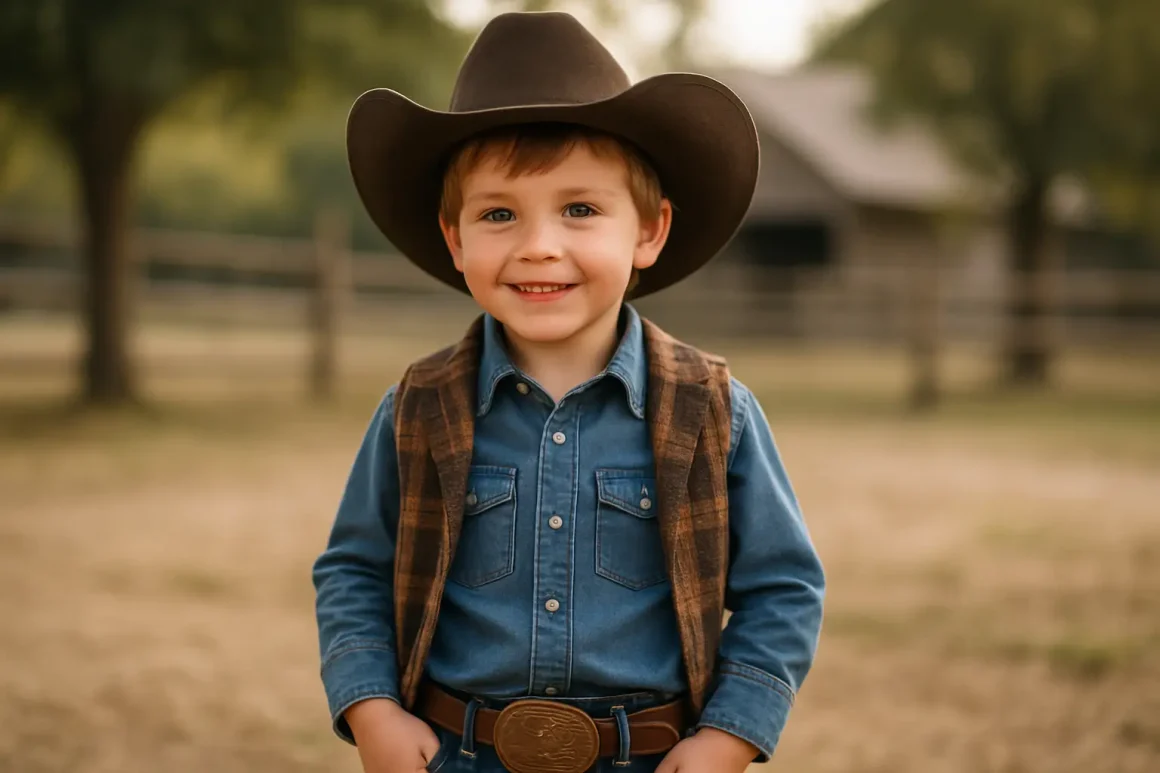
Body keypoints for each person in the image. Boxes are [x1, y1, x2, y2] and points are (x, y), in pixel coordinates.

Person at [312, 11, 825, 773]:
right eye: (499, 214)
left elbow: (783, 587)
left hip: (647, 756)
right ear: (456, 239)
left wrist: (729, 734)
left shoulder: (714, 411)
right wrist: (372, 707)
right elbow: (354, 571)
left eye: (580, 209)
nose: (539, 246)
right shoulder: (418, 409)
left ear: (648, 231)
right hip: (459, 752)